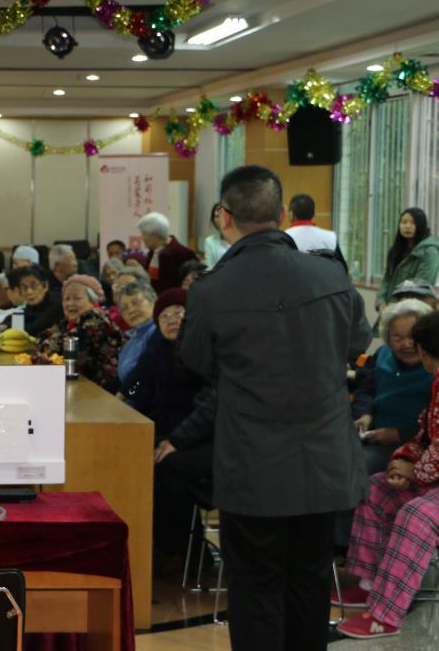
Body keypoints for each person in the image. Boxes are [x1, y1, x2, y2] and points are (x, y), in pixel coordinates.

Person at [161, 165, 370, 651]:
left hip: (253, 462)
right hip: (323, 460)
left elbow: (195, 362)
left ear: (224, 216)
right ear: (281, 214)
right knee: (311, 579)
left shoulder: (211, 289)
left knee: (255, 585)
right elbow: (357, 344)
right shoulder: (330, 275)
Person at [338, 309, 439, 640]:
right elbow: (424, 434)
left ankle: (386, 613)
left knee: (416, 515)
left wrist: (415, 471)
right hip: (431, 478)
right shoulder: (437, 383)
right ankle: (369, 584)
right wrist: (402, 460)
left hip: (432, 483)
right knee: (375, 489)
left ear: (424, 352)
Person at [352, 299, 434, 474]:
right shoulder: (382, 354)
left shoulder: (434, 368)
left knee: (356, 466)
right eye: (398, 338)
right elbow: (365, 389)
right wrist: (364, 413)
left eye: (413, 336)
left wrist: (399, 434)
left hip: (412, 444)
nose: (407, 344)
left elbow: (434, 423)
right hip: (370, 432)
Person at [124, 288, 198, 440]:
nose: (171, 320)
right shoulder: (160, 351)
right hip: (159, 426)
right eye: (164, 316)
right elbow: (142, 392)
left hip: (189, 432)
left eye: (178, 313)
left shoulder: (201, 350)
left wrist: (174, 440)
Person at [42, 275, 123, 391]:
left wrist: (50, 344)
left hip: (102, 390)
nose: (70, 303)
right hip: (80, 384)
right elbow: (41, 339)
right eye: (66, 299)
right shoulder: (69, 322)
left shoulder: (96, 319)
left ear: (93, 300)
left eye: (77, 298)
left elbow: (61, 348)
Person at [376, 208, 439, 311]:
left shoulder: (430, 252)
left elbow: (419, 287)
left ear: (421, 225)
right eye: (404, 222)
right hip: (389, 310)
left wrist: (392, 308)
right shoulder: (396, 250)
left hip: (412, 311)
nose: (407, 226)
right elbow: (387, 279)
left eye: (413, 223)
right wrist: (381, 303)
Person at [137, 212, 198, 294]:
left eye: (144, 234)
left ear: (155, 235)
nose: (142, 238)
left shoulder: (183, 254)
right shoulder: (153, 253)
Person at [116, 282, 158, 389]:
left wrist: (123, 394)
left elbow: (145, 377)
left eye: (136, 303)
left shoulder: (157, 332)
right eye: (124, 308)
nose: (131, 310)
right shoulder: (132, 339)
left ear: (153, 302)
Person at [9, 265, 64, 336]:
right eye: (24, 287)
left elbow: (34, 329)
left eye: (33, 286)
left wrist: (13, 328)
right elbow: (11, 320)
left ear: (45, 286)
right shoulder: (31, 305)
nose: (29, 292)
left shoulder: (57, 303)